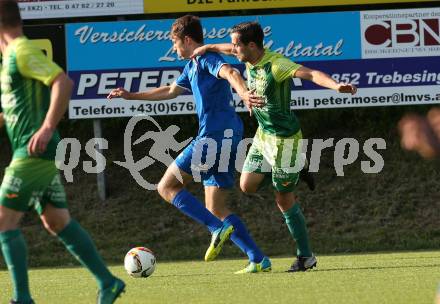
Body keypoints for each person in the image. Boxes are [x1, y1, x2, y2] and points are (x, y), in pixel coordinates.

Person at [108, 15, 271, 274]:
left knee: (166, 186)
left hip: (214, 137)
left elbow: (229, 71)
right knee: (216, 208)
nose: (174, 49)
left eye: (175, 43)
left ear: (186, 39)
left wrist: (243, 94)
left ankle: (217, 229)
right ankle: (258, 259)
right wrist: (130, 96)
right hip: (229, 136)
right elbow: (169, 91)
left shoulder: (206, 58)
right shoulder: (193, 65)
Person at [191, 21, 357, 272]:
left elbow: (310, 73)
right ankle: (294, 171)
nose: (233, 49)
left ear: (252, 45)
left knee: (283, 198)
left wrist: (336, 86)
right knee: (247, 185)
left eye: (237, 45)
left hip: (286, 141)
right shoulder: (249, 58)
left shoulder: (276, 65)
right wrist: (207, 47)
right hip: (263, 136)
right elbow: (226, 49)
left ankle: (305, 256)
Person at [0, 1, 125, 303]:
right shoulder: (10, 58)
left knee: (3, 221)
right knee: (56, 220)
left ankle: (23, 298)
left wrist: (45, 128)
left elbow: (62, 82)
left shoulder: (22, 50)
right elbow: (19, 107)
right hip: (31, 149)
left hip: (33, 152)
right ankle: (108, 282)